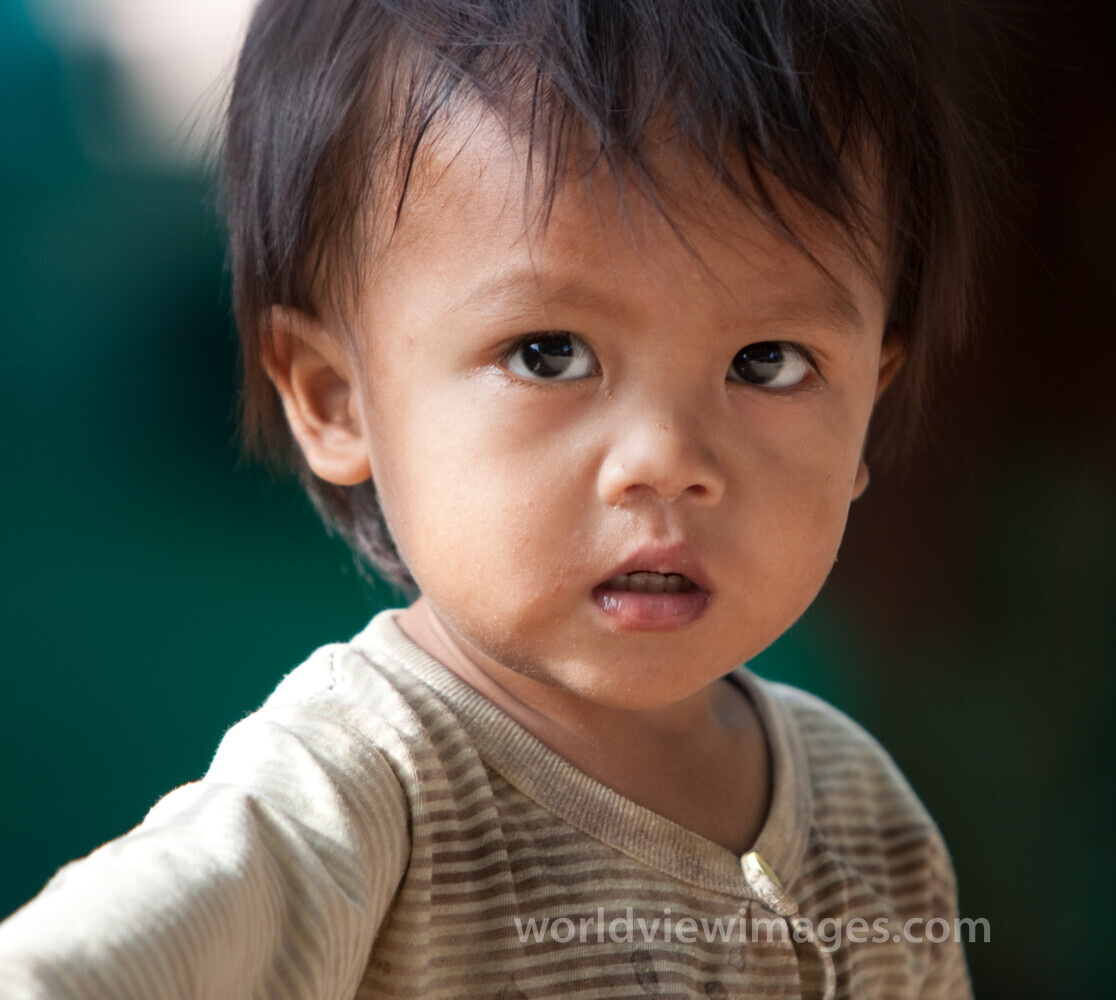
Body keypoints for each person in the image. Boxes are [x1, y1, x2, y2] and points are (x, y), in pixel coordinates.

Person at [0, 0, 992, 995]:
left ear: (870, 402)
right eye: (550, 353)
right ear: (336, 395)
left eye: (767, 361)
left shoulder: (865, 820)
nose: (664, 458)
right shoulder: (357, 794)